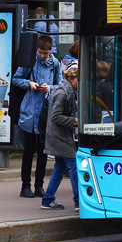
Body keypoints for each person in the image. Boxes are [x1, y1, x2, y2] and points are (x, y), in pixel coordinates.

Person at [12, 34, 60, 198]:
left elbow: (60, 85)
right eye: (39, 52)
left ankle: (39, 186)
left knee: (43, 152)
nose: (41, 56)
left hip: (45, 113)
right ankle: (25, 186)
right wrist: (30, 84)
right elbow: (16, 79)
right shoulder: (29, 60)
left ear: (50, 51)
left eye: (44, 53)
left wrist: (49, 88)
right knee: (28, 152)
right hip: (29, 112)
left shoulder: (55, 63)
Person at [40, 63, 80, 210]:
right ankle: (78, 201)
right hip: (60, 136)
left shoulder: (64, 90)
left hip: (57, 135)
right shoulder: (63, 93)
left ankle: (48, 199)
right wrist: (74, 121)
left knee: (59, 168)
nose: (79, 83)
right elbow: (56, 116)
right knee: (73, 166)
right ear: (72, 79)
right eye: (78, 80)